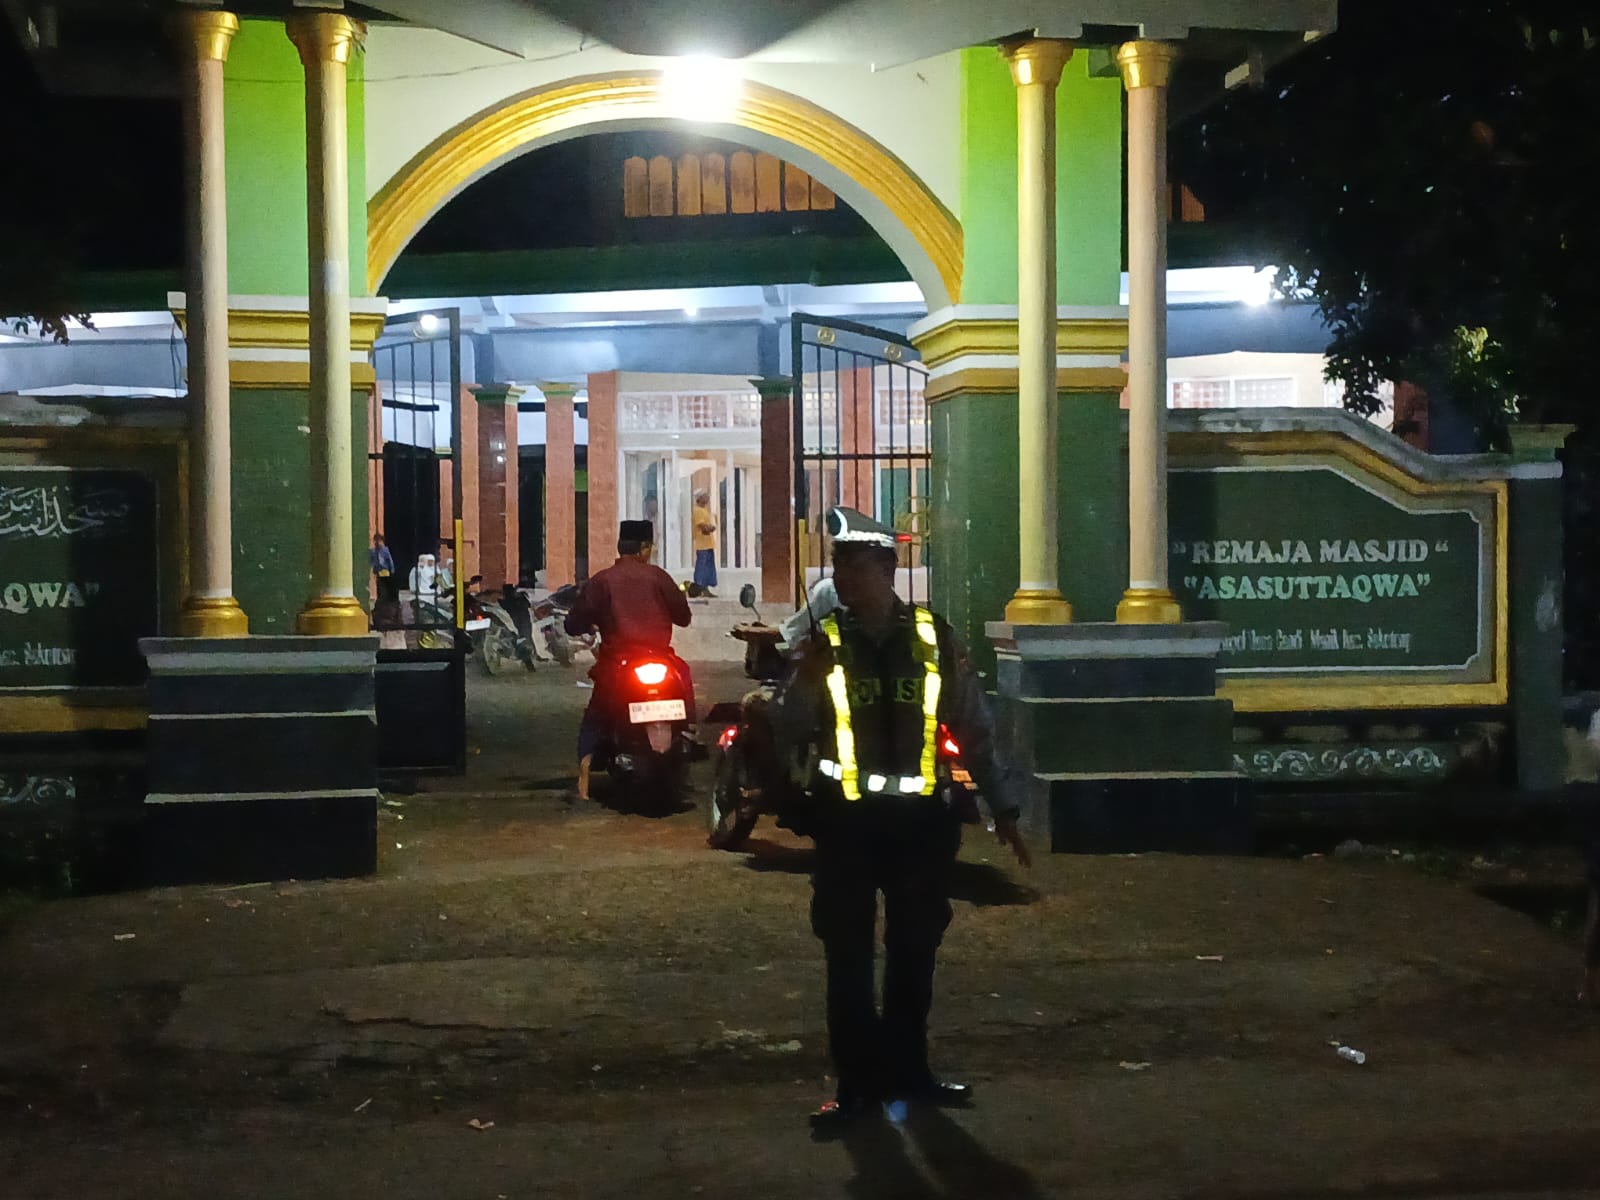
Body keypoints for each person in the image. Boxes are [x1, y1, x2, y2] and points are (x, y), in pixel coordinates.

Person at [769, 506, 1030, 1134]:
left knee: (914, 951)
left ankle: (910, 1072)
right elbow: (790, 727)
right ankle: (856, 1084)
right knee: (849, 957)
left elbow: (975, 727)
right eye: (841, 572)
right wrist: (799, 686)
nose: (848, 583)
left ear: (890, 571)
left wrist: (1005, 810)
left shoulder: (935, 639)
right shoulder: (824, 643)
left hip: (919, 825)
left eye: (859, 570)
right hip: (848, 825)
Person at [563, 519, 693, 801]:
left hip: (618, 663)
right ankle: (689, 730)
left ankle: (583, 783)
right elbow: (684, 617)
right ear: (644, 548)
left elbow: (573, 624)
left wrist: (590, 624)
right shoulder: (659, 577)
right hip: (660, 659)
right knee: (683, 677)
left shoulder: (602, 580)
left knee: (596, 717)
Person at [692, 489, 718, 596]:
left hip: (708, 544)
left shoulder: (705, 510)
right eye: (705, 496)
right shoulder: (697, 511)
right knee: (702, 567)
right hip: (702, 545)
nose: (707, 498)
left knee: (708, 568)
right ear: (700, 498)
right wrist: (710, 528)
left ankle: (706, 588)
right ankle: (699, 588)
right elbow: (702, 526)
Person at [370, 534, 398, 604]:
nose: (377, 543)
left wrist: (392, 570)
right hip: (378, 571)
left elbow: (390, 560)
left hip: (385, 571)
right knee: (380, 586)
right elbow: (372, 561)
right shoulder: (373, 551)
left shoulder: (385, 550)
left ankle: (387, 599)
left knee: (386, 585)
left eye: (379, 541)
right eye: (376, 541)